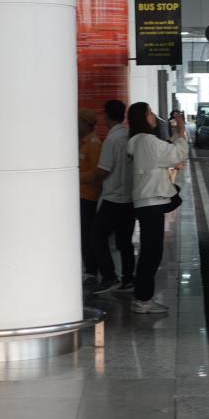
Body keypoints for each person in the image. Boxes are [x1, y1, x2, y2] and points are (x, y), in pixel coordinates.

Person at [125, 102, 188, 314]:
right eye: (150, 112)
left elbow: (164, 153)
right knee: (152, 253)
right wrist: (181, 128)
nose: (153, 116)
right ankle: (143, 300)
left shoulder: (137, 141)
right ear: (143, 118)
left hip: (145, 202)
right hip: (152, 202)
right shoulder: (148, 140)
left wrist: (174, 136)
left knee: (149, 251)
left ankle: (141, 297)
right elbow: (177, 154)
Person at [91, 100, 135, 294]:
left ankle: (109, 277)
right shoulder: (130, 136)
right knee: (125, 241)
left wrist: (90, 180)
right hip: (130, 198)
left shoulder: (112, 140)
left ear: (106, 115)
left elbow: (103, 170)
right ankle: (128, 279)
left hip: (113, 198)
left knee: (97, 236)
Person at [76, 108, 103, 287]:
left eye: (78, 121)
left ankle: (92, 270)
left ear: (86, 124)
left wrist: (75, 176)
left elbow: (96, 172)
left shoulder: (93, 144)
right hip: (82, 195)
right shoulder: (83, 142)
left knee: (87, 235)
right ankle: (90, 269)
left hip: (88, 197)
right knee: (84, 235)